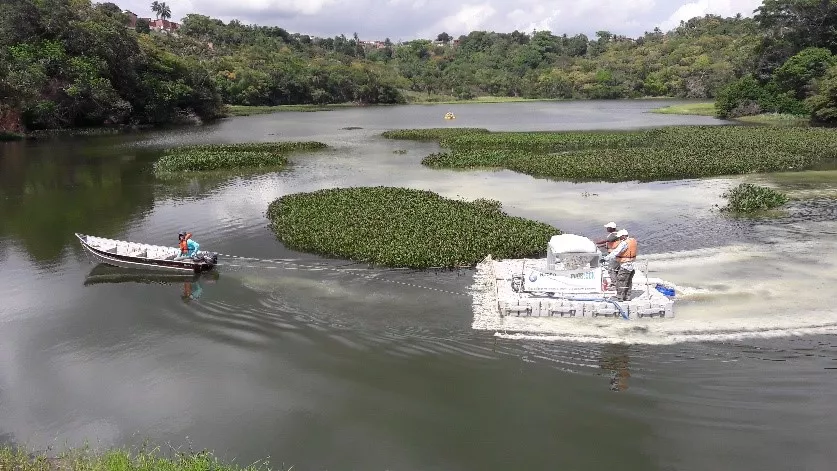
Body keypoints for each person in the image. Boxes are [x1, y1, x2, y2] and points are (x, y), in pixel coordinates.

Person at [603, 229, 637, 301]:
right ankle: (627, 296)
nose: (620, 239)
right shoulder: (633, 240)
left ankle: (619, 297)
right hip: (632, 265)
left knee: (620, 280)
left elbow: (616, 252)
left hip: (625, 265)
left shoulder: (624, 243)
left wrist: (605, 259)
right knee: (628, 281)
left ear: (624, 236)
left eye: (620, 237)